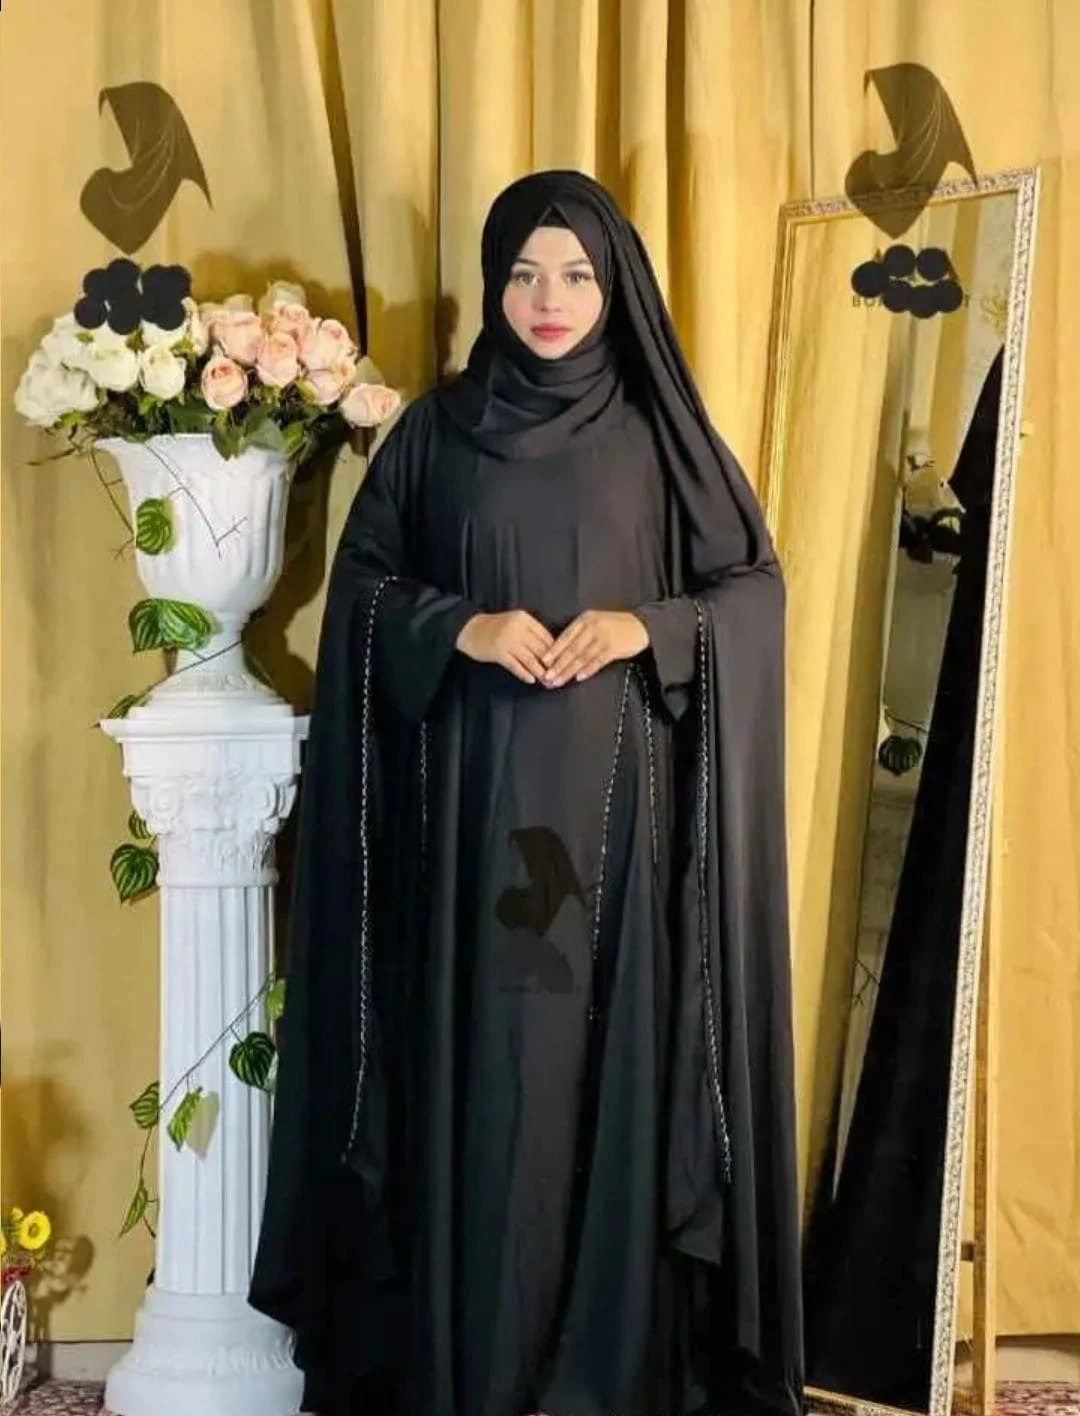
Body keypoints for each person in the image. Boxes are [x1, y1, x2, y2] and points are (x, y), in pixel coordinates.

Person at [248, 170, 803, 1416]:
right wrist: (464, 626)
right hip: (471, 835)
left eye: (578, 275)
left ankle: (608, 1376)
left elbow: (753, 595)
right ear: (494, 284)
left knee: (599, 1082)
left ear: (617, 290)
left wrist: (647, 627)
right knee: (490, 1085)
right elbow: (363, 592)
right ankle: (470, 1369)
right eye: (524, 274)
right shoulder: (436, 435)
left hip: (620, 843)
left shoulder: (664, 438)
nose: (549, 299)